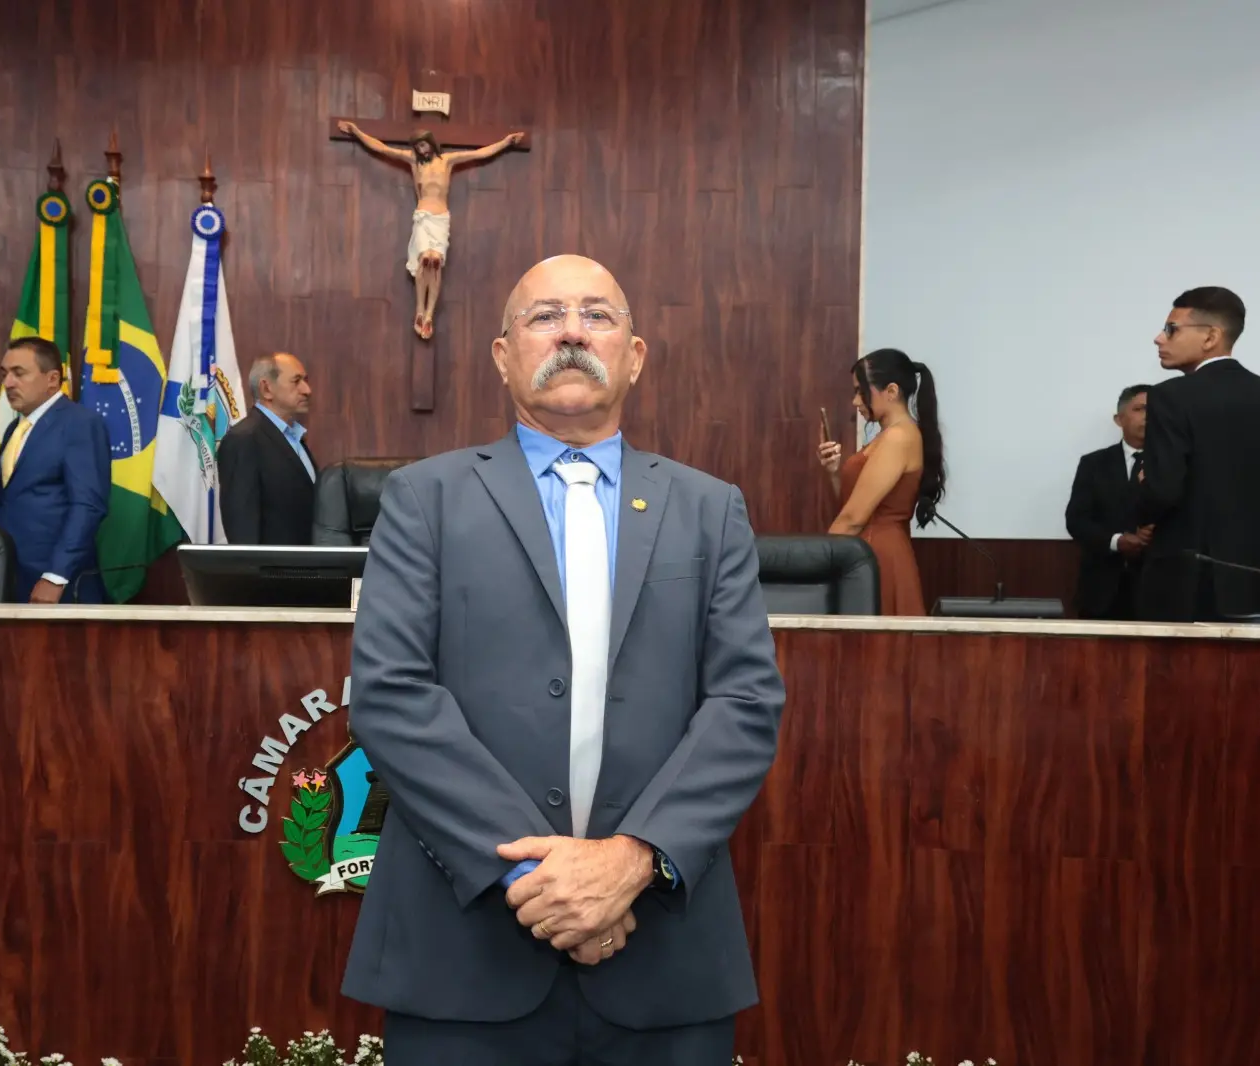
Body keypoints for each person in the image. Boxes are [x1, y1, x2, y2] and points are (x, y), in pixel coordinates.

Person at [342, 254, 786, 1066]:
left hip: (663, 956)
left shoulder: (710, 509)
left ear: (635, 356)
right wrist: (542, 882)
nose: (572, 332)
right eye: (545, 316)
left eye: (597, 315)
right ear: (503, 354)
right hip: (464, 957)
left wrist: (631, 861)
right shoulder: (423, 499)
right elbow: (391, 695)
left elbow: (745, 704)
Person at [1137, 286, 1260, 621]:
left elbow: (1164, 491)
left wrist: (1144, 489)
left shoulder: (1170, 396)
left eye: (1171, 329)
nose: (1158, 338)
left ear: (1210, 337)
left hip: (1191, 583)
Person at [337, 121, 525, 339]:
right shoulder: (414, 162)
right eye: (417, 147)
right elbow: (382, 148)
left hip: (440, 219)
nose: (421, 150)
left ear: (431, 144)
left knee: (434, 263)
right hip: (423, 218)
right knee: (425, 259)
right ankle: (420, 309)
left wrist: (506, 142)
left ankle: (428, 314)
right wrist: (356, 132)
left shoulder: (447, 161)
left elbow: (480, 153)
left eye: (423, 145)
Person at [816, 348, 945, 616]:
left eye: (861, 390)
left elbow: (853, 518)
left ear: (891, 391)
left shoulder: (898, 438)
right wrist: (834, 472)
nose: (855, 401)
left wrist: (817, 566)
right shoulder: (891, 436)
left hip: (878, 557)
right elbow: (857, 506)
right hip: (867, 553)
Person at [0, 336, 111, 603]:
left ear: (53, 379)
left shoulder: (80, 423)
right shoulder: (15, 429)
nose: (8, 383)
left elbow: (88, 506)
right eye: (4, 374)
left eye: (19, 373)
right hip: (9, 575)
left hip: (57, 583)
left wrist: (56, 576)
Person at [1065, 385, 1152, 620]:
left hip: (1159, 590)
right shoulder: (1094, 464)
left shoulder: (1179, 464)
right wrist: (1117, 541)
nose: (1149, 416)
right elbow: (1077, 520)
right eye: (1140, 409)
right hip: (1101, 590)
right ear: (1119, 419)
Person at [215, 352, 317, 544]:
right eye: (296, 381)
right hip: (273, 564)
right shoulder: (244, 440)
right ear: (266, 389)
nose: (307, 390)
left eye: (305, 380)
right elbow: (243, 530)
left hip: (307, 561)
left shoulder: (293, 437)